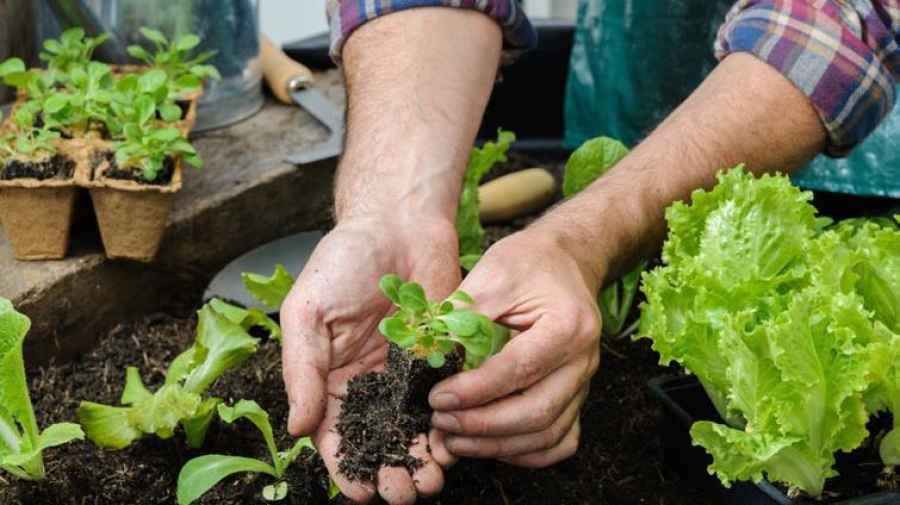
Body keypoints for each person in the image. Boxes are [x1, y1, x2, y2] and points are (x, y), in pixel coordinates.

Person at [281, 1, 900, 503]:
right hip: (633, 93)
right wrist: (392, 210)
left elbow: (840, 22)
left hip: (848, 142)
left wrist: (579, 242)